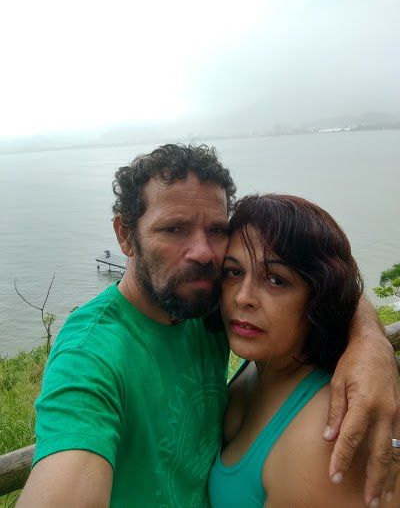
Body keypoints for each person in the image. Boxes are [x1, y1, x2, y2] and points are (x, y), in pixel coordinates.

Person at [17, 145, 400, 507]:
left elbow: (317, 279)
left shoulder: (206, 301)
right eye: (174, 229)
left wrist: (369, 343)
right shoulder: (89, 356)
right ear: (125, 235)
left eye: (216, 230)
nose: (203, 252)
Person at [208, 194, 400, 507]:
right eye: (234, 272)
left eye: (275, 280)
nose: (243, 297)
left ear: (319, 297)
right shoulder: (263, 363)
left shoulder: (319, 440)